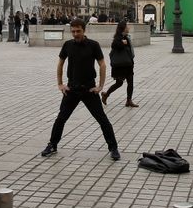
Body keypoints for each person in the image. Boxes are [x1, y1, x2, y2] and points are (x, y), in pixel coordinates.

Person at [41, 18, 120, 161]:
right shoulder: (67, 45)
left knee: (102, 120)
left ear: (84, 30)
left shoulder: (93, 45)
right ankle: (52, 145)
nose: (75, 34)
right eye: (73, 31)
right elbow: (60, 64)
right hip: (71, 89)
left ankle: (113, 148)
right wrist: (60, 84)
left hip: (89, 89)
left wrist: (100, 86)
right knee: (60, 119)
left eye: (78, 31)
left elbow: (102, 64)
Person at [102, 20, 137, 107]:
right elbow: (114, 45)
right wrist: (122, 43)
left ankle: (129, 100)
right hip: (120, 65)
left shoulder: (126, 37)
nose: (128, 28)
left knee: (130, 82)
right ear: (123, 28)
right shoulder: (118, 37)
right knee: (119, 83)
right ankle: (106, 94)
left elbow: (129, 51)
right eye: (127, 26)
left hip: (128, 64)